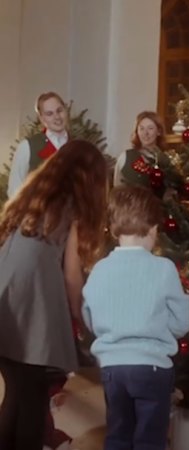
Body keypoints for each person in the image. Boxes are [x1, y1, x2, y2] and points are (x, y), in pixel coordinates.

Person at [0, 140, 108, 450]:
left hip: (4, 300)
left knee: (17, 392)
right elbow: (72, 275)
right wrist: (81, 318)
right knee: (32, 400)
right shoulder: (72, 207)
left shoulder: (29, 198)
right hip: (30, 310)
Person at [82, 186, 189, 450]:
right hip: (152, 367)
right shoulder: (163, 268)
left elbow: (90, 316)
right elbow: (181, 323)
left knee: (118, 433)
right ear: (153, 229)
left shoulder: (100, 269)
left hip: (112, 368)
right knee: (150, 439)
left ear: (113, 229)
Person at [7, 92, 70, 199]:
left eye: (59, 110)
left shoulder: (78, 146)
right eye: (49, 114)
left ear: (65, 111)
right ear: (41, 118)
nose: (57, 117)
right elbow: (14, 190)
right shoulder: (27, 146)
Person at [113, 111, 167, 188]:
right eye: (141, 128)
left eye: (150, 128)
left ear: (159, 131)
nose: (145, 133)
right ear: (137, 131)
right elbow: (116, 189)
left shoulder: (166, 160)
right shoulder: (125, 157)